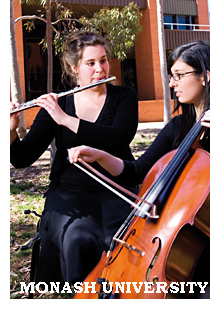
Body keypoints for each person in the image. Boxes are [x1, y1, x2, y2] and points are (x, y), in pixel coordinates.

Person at [68, 40, 210, 298]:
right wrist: (100, 155)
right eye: (172, 76)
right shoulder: (179, 127)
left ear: (206, 77)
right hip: (181, 247)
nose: (172, 83)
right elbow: (138, 172)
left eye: (179, 75)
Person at [10, 31, 139, 285]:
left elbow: (118, 138)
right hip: (70, 192)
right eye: (90, 63)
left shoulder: (124, 97)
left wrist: (66, 120)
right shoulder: (57, 105)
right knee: (78, 237)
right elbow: (22, 158)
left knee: (124, 240)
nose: (99, 69)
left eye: (103, 60)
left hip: (116, 188)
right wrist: (11, 130)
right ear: (74, 68)